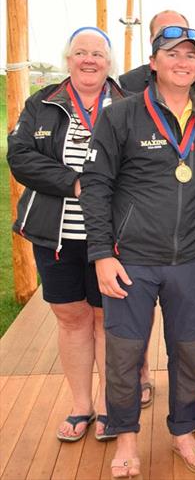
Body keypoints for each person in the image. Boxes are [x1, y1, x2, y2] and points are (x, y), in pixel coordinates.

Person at [80, 26, 195, 477]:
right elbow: (96, 187)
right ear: (153, 62)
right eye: (172, 53)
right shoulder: (120, 115)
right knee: (123, 355)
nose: (182, 62)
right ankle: (125, 437)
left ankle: (183, 431)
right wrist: (102, 253)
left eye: (190, 56)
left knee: (189, 352)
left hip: (192, 260)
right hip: (131, 260)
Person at [7, 27, 125, 443]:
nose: (89, 60)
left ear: (109, 62)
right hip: (55, 234)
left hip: (111, 238)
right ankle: (81, 405)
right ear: (68, 59)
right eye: (80, 52)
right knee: (71, 318)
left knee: (107, 319)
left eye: (97, 53)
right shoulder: (42, 103)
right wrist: (76, 183)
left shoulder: (127, 104)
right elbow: (19, 156)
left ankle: (114, 406)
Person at [118, 10, 195, 93]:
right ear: (152, 40)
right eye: (164, 32)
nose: (175, 37)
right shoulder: (128, 84)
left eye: (181, 31)